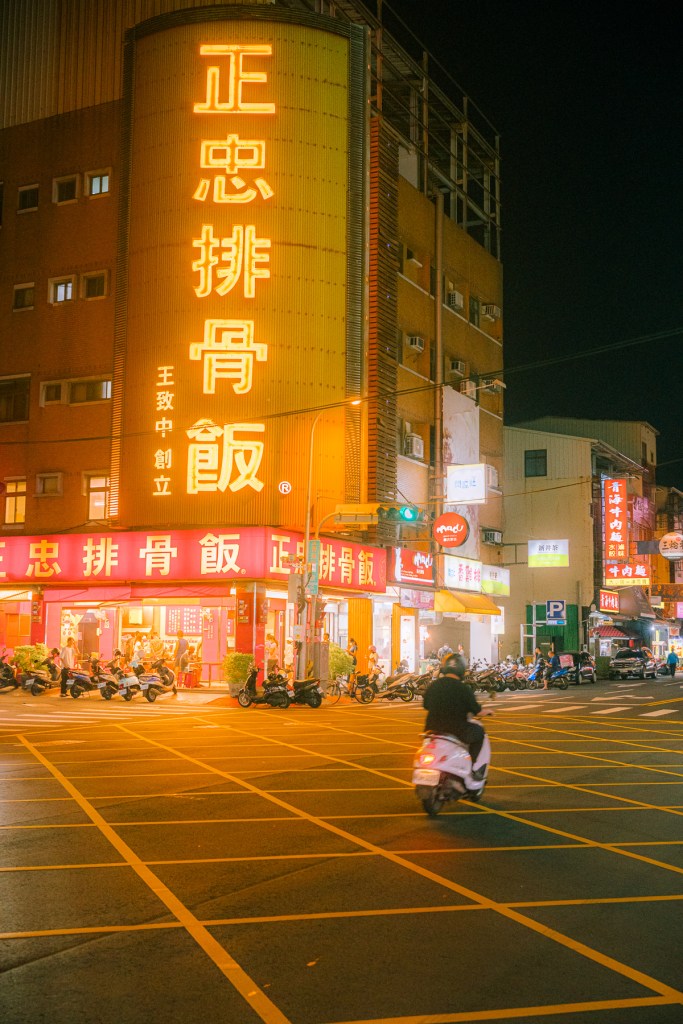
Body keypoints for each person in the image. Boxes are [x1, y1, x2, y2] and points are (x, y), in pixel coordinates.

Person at [423, 652, 490, 769]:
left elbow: (426, 705)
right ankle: (472, 767)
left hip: (431, 729)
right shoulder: (464, 688)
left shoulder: (434, 685)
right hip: (456, 730)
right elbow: (477, 711)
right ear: (461, 669)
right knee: (479, 732)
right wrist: (487, 711)